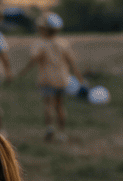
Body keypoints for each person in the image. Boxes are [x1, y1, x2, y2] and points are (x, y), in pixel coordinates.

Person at [20, 12, 83, 141]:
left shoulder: (40, 44)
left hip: (46, 80)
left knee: (48, 105)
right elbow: (72, 61)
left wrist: (24, 71)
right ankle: (61, 132)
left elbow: (34, 60)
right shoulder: (63, 43)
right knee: (60, 106)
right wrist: (78, 76)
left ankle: (50, 128)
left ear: (43, 29)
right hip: (61, 80)